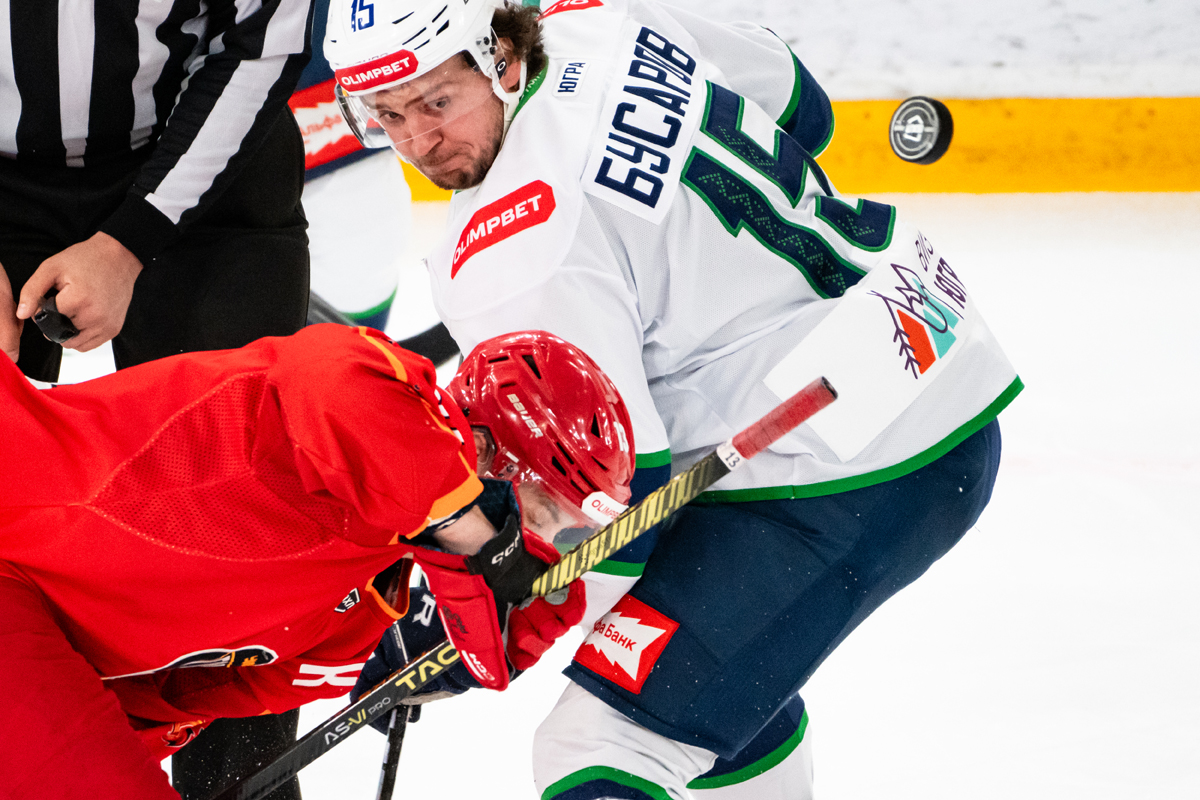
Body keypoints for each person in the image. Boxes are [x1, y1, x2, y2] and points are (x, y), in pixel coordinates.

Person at [324, 1, 1023, 798]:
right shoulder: (591, 15)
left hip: (853, 465)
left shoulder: (512, 257)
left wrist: (474, 619)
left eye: (437, 102)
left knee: (603, 745)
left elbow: (615, 501)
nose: (418, 141)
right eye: (387, 115)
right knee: (699, 686)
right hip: (917, 339)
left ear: (502, 57)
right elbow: (804, 109)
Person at [0, 324, 595, 800]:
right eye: (543, 512)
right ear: (488, 454)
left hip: (39, 631)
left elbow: (193, 690)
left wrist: (433, 650)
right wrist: (473, 536)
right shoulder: (376, 386)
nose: (541, 544)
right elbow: (332, 384)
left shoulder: (364, 607)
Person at [0, 0, 313, 384]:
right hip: (7, 183)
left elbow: (259, 42)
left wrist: (131, 239)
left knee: (227, 402)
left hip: (199, 150)